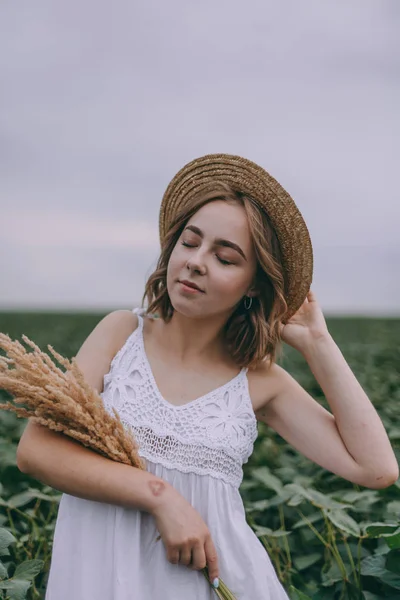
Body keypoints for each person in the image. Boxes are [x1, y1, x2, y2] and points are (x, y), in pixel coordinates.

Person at [16, 154, 398, 600]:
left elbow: (376, 470)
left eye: (225, 258)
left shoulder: (258, 382)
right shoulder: (120, 334)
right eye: (190, 242)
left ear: (254, 284)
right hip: (100, 579)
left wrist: (318, 343)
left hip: (211, 584)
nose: (197, 262)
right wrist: (158, 495)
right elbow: (36, 450)